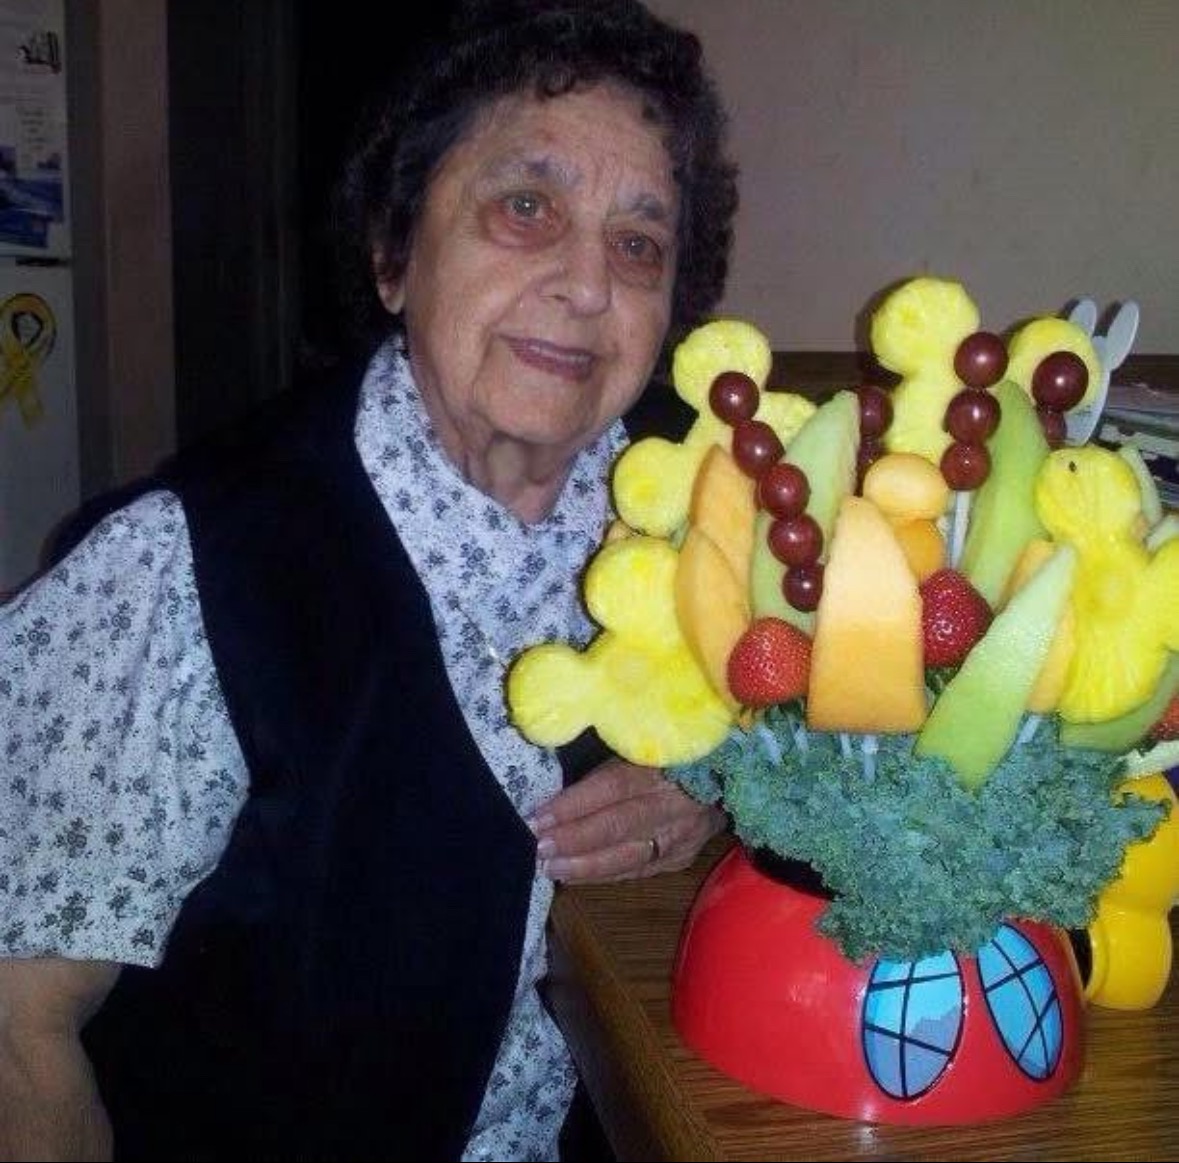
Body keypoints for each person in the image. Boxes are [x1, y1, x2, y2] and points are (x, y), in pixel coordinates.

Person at [0, 0, 737, 1158]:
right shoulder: (182, 569)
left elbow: (819, 754)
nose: (589, 284)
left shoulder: (711, 515)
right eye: (526, 207)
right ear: (395, 253)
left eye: (640, 243)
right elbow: (18, 1028)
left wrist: (712, 783)